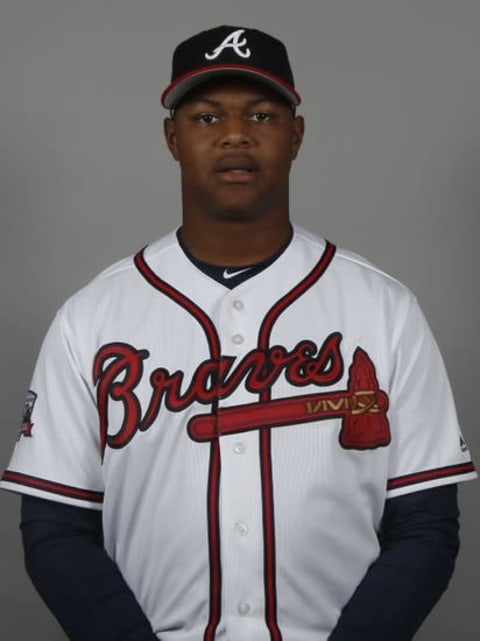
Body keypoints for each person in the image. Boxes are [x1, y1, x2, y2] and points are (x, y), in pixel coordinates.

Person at [1, 25, 476, 641]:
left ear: (297, 135)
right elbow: (55, 528)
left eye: (261, 113)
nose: (234, 134)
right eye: (204, 117)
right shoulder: (92, 316)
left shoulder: (383, 308)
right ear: (171, 137)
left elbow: (425, 524)